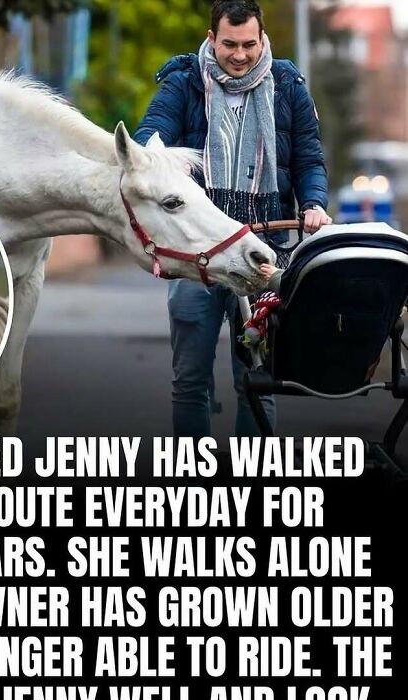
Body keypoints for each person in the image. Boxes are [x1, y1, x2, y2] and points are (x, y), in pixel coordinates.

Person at [134, 0, 332, 438]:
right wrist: (160, 159)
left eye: (249, 44)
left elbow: (309, 160)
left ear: (262, 39)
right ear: (211, 39)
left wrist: (313, 202)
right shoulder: (183, 83)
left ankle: (253, 480)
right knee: (189, 382)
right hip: (197, 260)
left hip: (264, 256)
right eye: (229, 44)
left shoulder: (289, 86)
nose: (240, 55)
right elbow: (150, 140)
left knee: (258, 382)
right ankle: (192, 482)